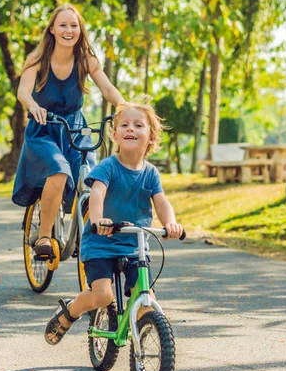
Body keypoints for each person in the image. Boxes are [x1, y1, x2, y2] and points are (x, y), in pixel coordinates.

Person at [44, 102, 184, 345]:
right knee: (102, 296)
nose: (131, 129)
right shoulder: (108, 166)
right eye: (124, 125)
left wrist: (170, 223)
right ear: (115, 134)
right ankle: (71, 311)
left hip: (134, 245)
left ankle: (146, 346)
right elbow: (97, 193)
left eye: (139, 125)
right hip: (101, 242)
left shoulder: (151, 173)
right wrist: (98, 219)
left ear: (151, 137)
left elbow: (161, 202)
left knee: (145, 299)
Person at [12, 4, 125, 260]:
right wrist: (32, 106)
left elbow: (108, 89)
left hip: (75, 130)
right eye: (63, 25)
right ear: (52, 29)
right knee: (59, 172)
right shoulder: (37, 60)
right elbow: (23, 92)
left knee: (95, 179)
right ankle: (44, 235)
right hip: (44, 130)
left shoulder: (86, 60)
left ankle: (86, 232)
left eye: (74, 25)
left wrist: (125, 108)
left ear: (80, 30)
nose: (69, 30)